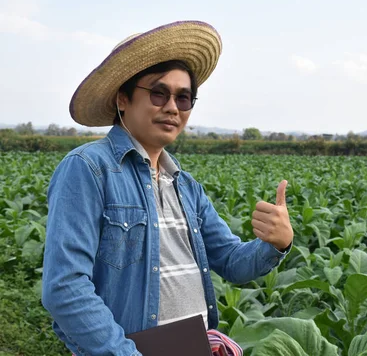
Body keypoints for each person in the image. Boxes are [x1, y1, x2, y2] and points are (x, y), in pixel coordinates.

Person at [41, 20, 294, 355]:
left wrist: (276, 243)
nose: (173, 107)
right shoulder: (89, 168)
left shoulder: (185, 185)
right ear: (123, 99)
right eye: (159, 93)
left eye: (184, 97)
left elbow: (231, 260)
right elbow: (65, 286)